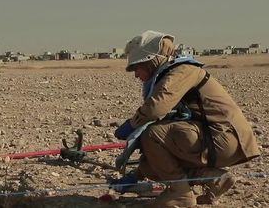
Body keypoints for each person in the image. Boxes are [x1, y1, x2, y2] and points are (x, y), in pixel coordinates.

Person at [110, 30, 260, 207]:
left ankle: (179, 193)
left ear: (150, 61)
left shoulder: (182, 71)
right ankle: (213, 179)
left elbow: (156, 108)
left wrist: (132, 124)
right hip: (216, 138)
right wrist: (136, 176)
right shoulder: (170, 73)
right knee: (154, 166)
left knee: (151, 134)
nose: (136, 75)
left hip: (224, 139)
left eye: (137, 68)